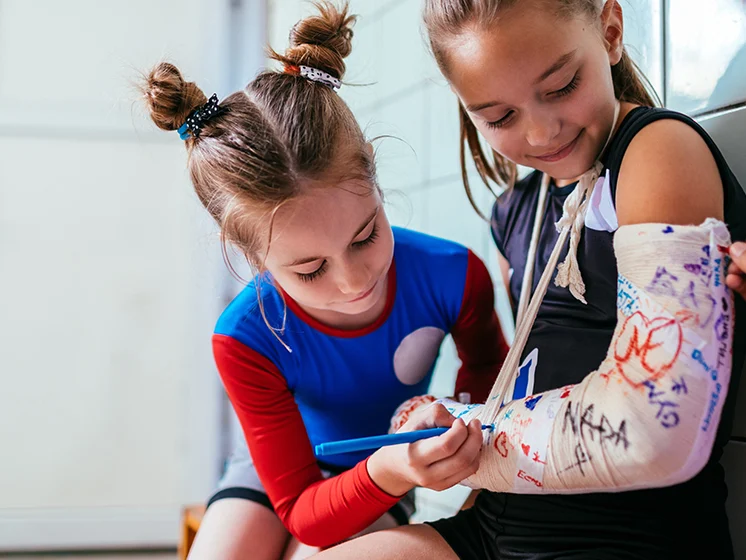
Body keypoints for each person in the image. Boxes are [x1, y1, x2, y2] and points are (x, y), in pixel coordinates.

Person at [312, 0, 746, 558]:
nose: (540, 132)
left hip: (625, 538)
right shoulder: (515, 211)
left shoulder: (656, 150)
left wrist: (467, 431)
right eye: (499, 117)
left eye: (562, 86)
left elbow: (650, 431)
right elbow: (530, 387)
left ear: (610, 31)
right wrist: (435, 433)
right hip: (491, 528)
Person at [140, 3, 508, 559]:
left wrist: (460, 429)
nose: (354, 279)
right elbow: (301, 512)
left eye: (365, 237)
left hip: (387, 461)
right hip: (276, 475)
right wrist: (392, 468)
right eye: (309, 269)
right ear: (253, 257)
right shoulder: (243, 336)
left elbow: (491, 377)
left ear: (377, 187)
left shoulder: (454, 277)